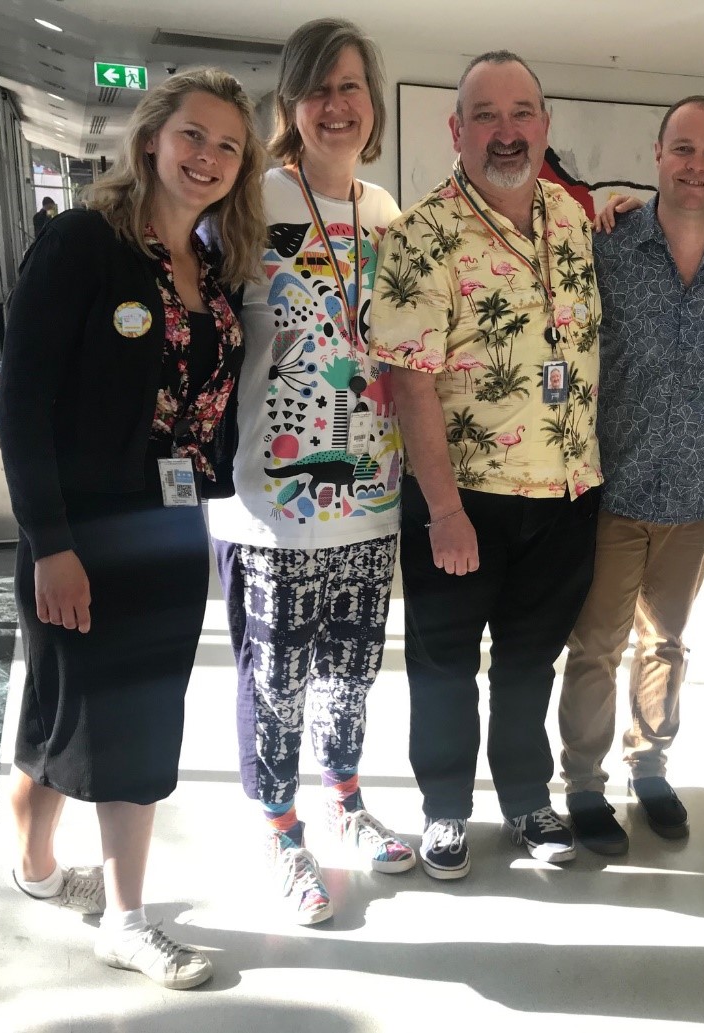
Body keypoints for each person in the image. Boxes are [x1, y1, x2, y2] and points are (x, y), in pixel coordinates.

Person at [0, 69, 266, 988]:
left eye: (229, 146)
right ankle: (87, 897)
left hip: (173, 520)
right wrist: (50, 542)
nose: (209, 157)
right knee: (71, 711)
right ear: (151, 136)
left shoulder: (214, 262)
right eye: (194, 135)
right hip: (86, 525)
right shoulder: (82, 245)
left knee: (138, 716)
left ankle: (98, 900)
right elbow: (20, 405)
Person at [370, 51, 602, 879]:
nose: (507, 132)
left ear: (544, 123)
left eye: (522, 113)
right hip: (462, 496)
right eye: (486, 115)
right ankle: (443, 807)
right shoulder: (421, 234)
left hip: (569, 490)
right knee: (443, 661)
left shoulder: (572, 220)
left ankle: (526, 798)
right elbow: (409, 376)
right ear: (456, 128)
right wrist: (442, 509)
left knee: (529, 660)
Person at [205, 18, 413, 928]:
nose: (338, 105)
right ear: (290, 103)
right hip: (271, 504)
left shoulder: (386, 212)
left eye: (353, 87)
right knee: (277, 677)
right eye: (319, 88)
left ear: (374, 106)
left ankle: (344, 801)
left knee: (353, 670)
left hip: (372, 496)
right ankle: (282, 830)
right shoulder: (251, 203)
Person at [557, 96, 704, 854]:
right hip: (612, 482)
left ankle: (650, 764)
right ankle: (583, 781)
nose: (696, 165)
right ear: (656, 153)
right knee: (596, 644)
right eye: (682, 148)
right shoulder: (608, 241)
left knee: (667, 641)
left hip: (699, 486)